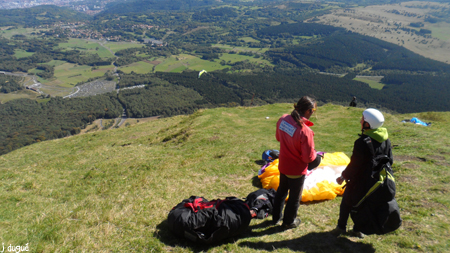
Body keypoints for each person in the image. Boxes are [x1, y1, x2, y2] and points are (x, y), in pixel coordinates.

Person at [332, 108, 393, 238]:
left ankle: (341, 227)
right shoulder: (385, 139)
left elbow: (355, 165)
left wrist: (343, 176)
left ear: (367, 124)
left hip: (359, 181)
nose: (360, 121)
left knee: (347, 202)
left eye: (362, 120)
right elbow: (390, 160)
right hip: (376, 181)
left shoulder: (362, 143)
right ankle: (357, 229)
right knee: (365, 205)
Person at [272, 96, 322, 229]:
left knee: (281, 191)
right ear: (308, 111)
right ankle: (289, 222)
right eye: (314, 110)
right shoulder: (305, 131)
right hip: (296, 171)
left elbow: (278, 138)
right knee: (294, 198)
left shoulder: (283, 119)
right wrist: (317, 157)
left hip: (283, 165)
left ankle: (275, 217)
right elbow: (308, 159)